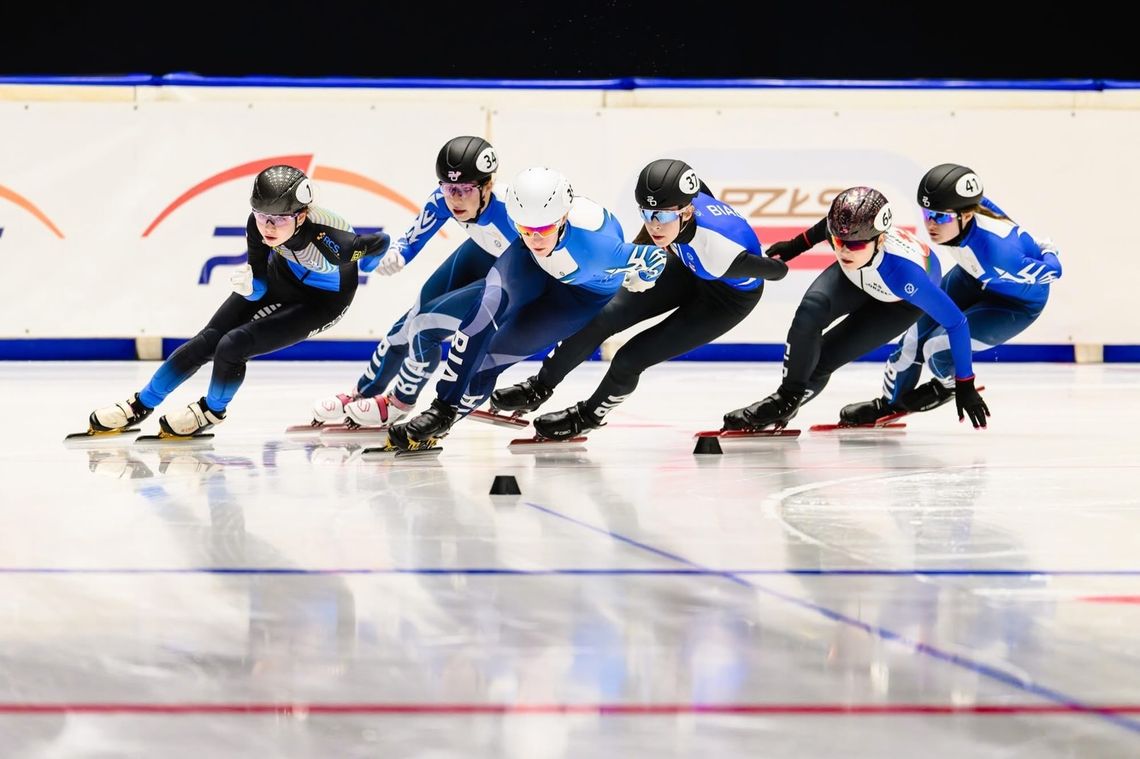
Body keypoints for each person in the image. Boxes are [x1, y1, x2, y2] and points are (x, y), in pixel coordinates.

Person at [490, 158, 788, 439]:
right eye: (646, 213)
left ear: (686, 212)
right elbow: (679, 208)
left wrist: (774, 256)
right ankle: (539, 387)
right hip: (688, 267)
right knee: (603, 316)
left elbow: (778, 272)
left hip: (726, 300)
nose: (654, 224)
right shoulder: (682, 206)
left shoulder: (720, 253)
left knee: (630, 359)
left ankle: (588, 417)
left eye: (663, 216)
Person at [87, 165, 390, 437]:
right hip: (282, 278)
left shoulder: (333, 244)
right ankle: (141, 404)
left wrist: (368, 265)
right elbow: (259, 286)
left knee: (233, 346)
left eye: (279, 219)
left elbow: (380, 242)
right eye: (262, 216)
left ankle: (212, 411)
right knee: (206, 341)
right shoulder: (256, 224)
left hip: (323, 302)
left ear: (301, 215)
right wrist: (251, 286)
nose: (269, 227)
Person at [385, 166, 669, 450]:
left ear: (563, 218)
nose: (535, 239)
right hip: (530, 265)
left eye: (543, 230)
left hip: (578, 295)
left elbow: (655, 258)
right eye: (525, 229)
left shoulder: (601, 251)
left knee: (491, 358)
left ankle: (454, 416)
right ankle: (442, 409)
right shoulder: (527, 234)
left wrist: (642, 279)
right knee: (482, 315)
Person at [722, 185, 991, 431]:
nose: (844, 250)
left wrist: (965, 382)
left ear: (880, 240)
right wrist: (795, 247)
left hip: (897, 303)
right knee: (809, 312)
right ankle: (785, 400)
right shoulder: (846, 230)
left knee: (824, 359)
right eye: (838, 242)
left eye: (855, 244)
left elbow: (957, 323)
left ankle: (790, 403)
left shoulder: (907, 276)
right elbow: (824, 229)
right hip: (855, 278)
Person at [311, 136, 518, 428]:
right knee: (409, 322)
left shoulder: (513, 214)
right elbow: (411, 239)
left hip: (515, 278)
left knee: (426, 326)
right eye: (448, 188)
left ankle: (399, 402)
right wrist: (396, 255)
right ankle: (363, 393)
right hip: (485, 254)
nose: (455, 198)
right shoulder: (444, 199)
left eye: (464, 189)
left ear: (487, 186)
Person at [836, 164, 1061, 424]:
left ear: (966, 216)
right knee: (912, 339)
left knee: (938, 351)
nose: (931, 224)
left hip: (1015, 304)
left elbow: (1054, 272)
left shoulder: (998, 253)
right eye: (927, 213)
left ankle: (949, 386)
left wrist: (1048, 250)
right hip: (971, 276)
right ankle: (888, 404)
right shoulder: (969, 208)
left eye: (941, 217)